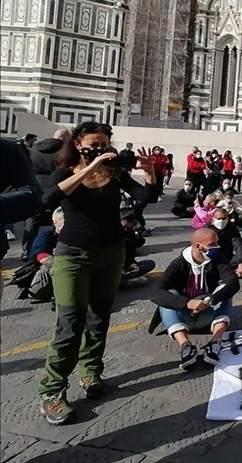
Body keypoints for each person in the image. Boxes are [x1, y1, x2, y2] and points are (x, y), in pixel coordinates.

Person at [36, 123, 155, 425]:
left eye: (104, 143)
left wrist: (150, 170)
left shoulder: (114, 174)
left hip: (111, 253)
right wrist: (88, 170)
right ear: (78, 143)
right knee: (69, 322)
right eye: (93, 143)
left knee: (99, 317)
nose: (100, 149)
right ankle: (52, 391)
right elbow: (48, 199)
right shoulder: (63, 173)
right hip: (73, 255)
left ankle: (90, 372)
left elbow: (147, 196)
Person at [150, 228, 240, 370]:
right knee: (169, 294)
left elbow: (233, 282)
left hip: (208, 313)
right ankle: (186, 346)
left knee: (226, 292)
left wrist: (210, 299)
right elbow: (156, 292)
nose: (217, 246)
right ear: (198, 246)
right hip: (183, 317)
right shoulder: (178, 264)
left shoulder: (218, 259)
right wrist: (187, 303)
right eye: (212, 244)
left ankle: (215, 342)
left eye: (217, 242)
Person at [21, 128, 71, 259]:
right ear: (65, 138)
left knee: (32, 220)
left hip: (35, 186)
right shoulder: (65, 150)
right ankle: (54, 249)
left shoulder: (36, 148)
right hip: (56, 186)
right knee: (58, 219)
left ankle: (27, 250)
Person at [207, 208, 242, 277]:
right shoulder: (207, 228)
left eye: (224, 218)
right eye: (219, 219)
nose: (221, 221)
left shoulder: (231, 227)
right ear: (213, 218)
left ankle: (224, 269)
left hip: (227, 256)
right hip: (211, 256)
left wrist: (241, 263)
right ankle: (224, 270)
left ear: (227, 218)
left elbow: (238, 245)